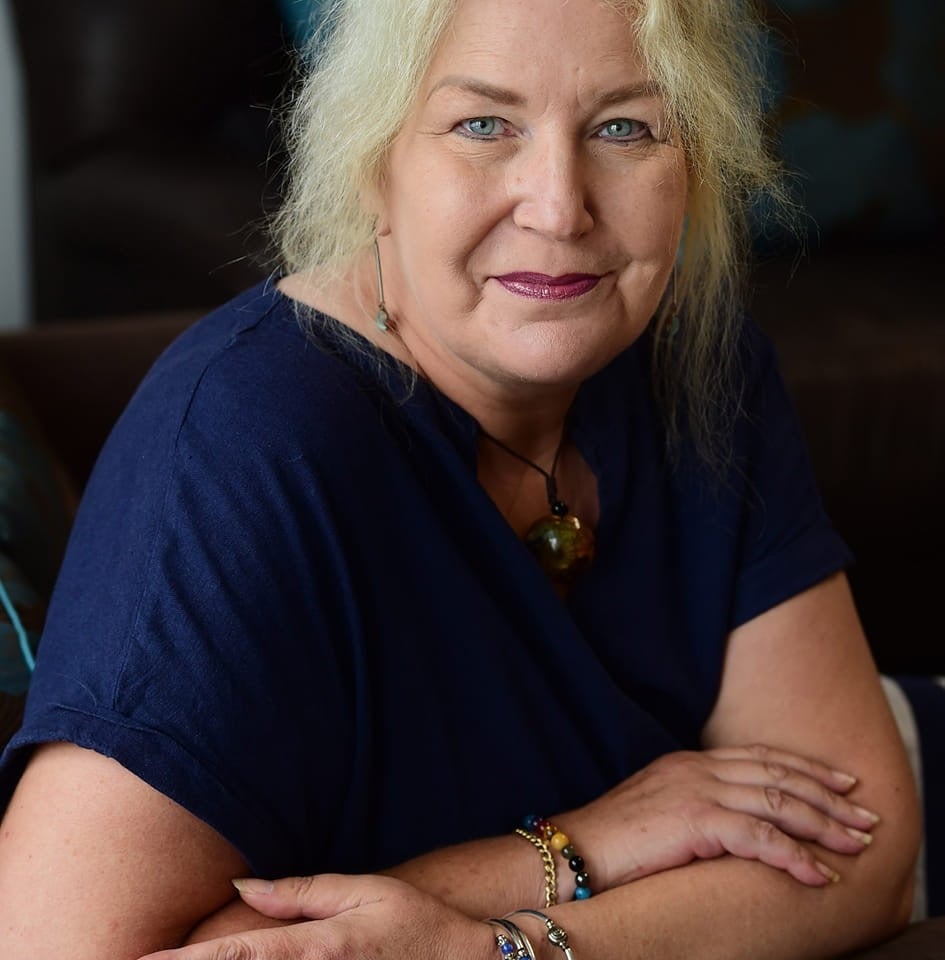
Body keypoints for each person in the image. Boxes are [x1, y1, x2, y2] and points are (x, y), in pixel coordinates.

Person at [0, 0, 921, 957]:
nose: (559, 207)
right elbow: (56, 947)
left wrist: (483, 947)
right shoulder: (253, 442)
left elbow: (867, 859)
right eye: (483, 125)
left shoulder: (698, 359)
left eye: (624, 127)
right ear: (374, 161)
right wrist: (572, 851)